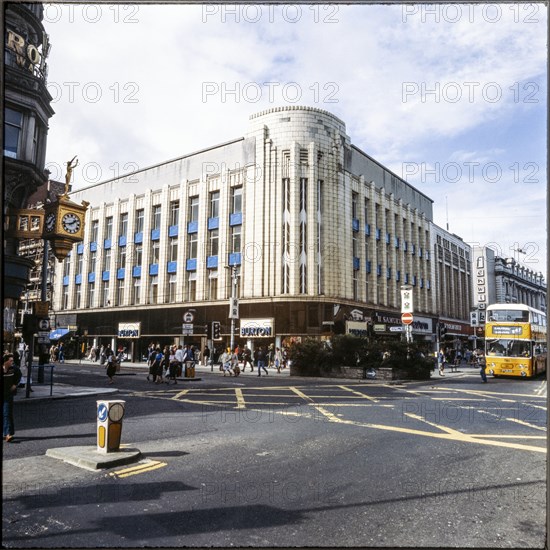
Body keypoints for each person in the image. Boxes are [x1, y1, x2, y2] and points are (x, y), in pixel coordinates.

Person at [3, 354, 22, 442]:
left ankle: (8, 434)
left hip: (8, 394)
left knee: (7, 413)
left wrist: (15, 385)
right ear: (5, 361)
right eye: (10, 361)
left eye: (12, 360)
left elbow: (19, 375)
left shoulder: (14, 369)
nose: (12, 362)